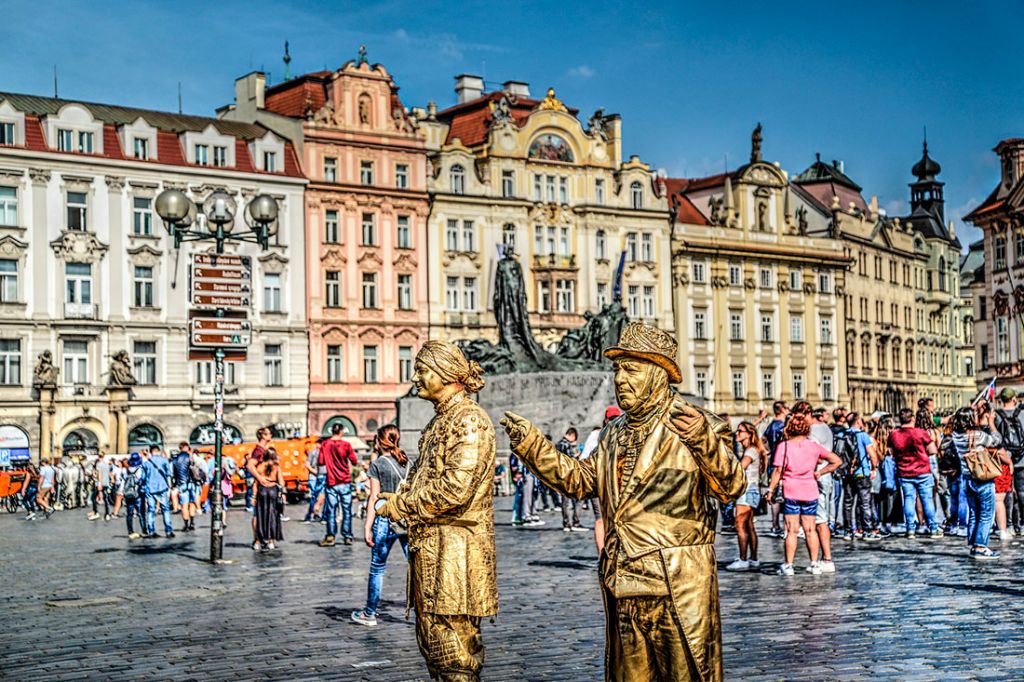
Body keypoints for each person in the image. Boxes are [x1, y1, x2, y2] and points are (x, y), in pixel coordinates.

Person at [502, 322, 746, 681]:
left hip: (675, 582)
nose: (619, 379)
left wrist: (703, 442)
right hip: (624, 582)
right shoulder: (614, 432)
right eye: (617, 369)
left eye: (630, 369)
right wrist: (534, 447)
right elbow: (582, 480)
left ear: (659, 373)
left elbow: (731, 486)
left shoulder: (698, 424)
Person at [376, 341, 498, 681]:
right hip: (433, 554)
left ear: (446, 374)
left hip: (456, 556)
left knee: (455, 655)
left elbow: (454, 490)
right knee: (435, 649)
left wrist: (401, 504)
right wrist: (400, 493)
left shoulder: (469, 420)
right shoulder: (438, 423)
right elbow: (426, 480)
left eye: (422, 370)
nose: (415, 377)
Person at [766, 408, 842, 576]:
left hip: (791, 490)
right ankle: (815, 564)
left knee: (791, 530)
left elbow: (778, 471)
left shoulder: (783, 446)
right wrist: (820, 472)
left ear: (789, 428)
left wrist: (770, 489)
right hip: (810, 491)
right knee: (810, 530)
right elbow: (837, 461)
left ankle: (789, 565)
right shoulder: (814, 446)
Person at [351, 425, 410, 627]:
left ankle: (370, 613)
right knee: (416, 567)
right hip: (407, 520)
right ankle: (426, 612)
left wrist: (368, 526)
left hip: (386, 521)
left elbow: (374, 498)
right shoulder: (408, 462)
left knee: (377, 568)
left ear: (378, 441)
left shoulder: (377, 465)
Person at [949, 407, 1006, 559]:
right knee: (987, 513)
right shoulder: (978, 435)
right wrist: (991, 423)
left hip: (966, 478)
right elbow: (997, 440)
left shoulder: (955, 435)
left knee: (974, 513)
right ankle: (981, 546)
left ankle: (974, 545)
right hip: (982, 478)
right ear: (969, 419)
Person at [889, 407, 942, 538]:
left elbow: (891, 453)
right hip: (922, 470)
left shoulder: (894, 434)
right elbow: (933, 450)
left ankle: (910, 529)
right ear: (912, 418)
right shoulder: (920, 432)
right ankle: (933, 528)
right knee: (927, 500)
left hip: (904, 471)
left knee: (908, 499)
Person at [580, 406, 622, 556]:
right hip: (599, 482)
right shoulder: (596, 435)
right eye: (611, 418)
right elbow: (584, 459)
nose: (614, 421)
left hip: (616, 484)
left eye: (616, 418)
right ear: (605, 419)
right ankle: (601, 556)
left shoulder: (622, 433)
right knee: (601, 519)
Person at [726, 421, 767, 571]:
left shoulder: (750, 451)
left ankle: (743, 559)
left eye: (740, 431)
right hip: (753, 489)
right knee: (749, 526)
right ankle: (753, 558)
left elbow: (739, 469)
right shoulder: (754, 450)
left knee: (740, 526)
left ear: (749, 434)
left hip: (746, 490)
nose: (737, 434)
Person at [319, 423, 357, 547]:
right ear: (341, 431)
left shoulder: (325, 444)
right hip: (345, 481)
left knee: (331, 510)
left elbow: (320, 461)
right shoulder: (346, 445)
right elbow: (354, 461)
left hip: (331, 481)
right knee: (346, 510)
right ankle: (347, 536)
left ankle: (330, 536)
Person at [808, 406, 837, 572]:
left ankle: (823, 559)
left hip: (817, 476)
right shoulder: (825, 428)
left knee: (818, 518)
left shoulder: (813, 431)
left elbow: (818, 456)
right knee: (821, 515)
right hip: (823, 476)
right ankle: (823, 559)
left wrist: (818, 470)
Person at [993, 387, 1024, 537]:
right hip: (1022, 458)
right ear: (1014, 399)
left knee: (1007, 493)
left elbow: (995, 438)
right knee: (1022, 492)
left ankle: (1010, 525)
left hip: (1004, 458)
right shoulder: (1022, 413)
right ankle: (1023, 524)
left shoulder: (997, 415)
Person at [841, 412, 877, 540]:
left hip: (847, 473)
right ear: (858, 422)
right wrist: (874, 468)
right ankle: (867, 531)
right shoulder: (863, 435)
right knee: (865, 502)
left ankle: (847, 531)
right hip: (862, 472)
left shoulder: (841, 435)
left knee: (847, 503)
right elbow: (872, 454)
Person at [763, 401, 789, 538]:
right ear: (783, 410)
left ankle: (774, 525)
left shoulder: (771, 425)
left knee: (774, 494)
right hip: (783, 463)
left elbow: (763, 439)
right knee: (784, 495)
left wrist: (768, 452)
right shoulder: (783, 426)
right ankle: (785, 526)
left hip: (773, 461)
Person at [253, 447, 284, 550]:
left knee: (260, 516)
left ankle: (258, 541)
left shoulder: (260, 466)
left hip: (262, 491)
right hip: (273, 490)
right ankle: (271, 541)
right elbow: (281, 482)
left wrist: (253, 496)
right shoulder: (276, 467)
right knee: (273, 516)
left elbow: (255, 483)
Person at [555, 428, 586, 532]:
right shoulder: (566, 444)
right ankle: (574, 523)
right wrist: (577, 456)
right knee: (575, 500)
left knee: (565, 502)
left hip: (561, 475)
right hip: (569, 476)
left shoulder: (558, 444)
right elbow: (570, 459)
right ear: (572, 435)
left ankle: (566, 523)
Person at [246, 427, 273, 541]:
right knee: (258, 514)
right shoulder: (259, 450)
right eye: (269, 433)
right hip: (260, 486)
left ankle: (263, 538)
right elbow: (250, 465)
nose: (271, 435)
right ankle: (257, 539)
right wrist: (259, 477)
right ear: (263, 436)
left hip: (267, 484)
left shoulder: (264, 449)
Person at [142, 446, 173, 538]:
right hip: (162, 487)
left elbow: (143, 477)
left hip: (150, 488)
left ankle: (151, 531)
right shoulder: (164, 461)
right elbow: (169, 474)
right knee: (165, 509)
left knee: (151, 510)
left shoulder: (146, 463)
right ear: (159, 451)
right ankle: (168, 531)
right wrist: (169, 485)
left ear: (151, 452)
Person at [173, 443, 198, 532]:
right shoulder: (190, 456)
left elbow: (174, 472)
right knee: (192, 503)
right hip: (191, 483)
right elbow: (195, 468)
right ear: (185, 447)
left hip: (181, 483)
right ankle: (192, 523)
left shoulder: (175, 458)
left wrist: (175, 483)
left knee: (184, 505)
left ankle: (186, 525)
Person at [121, 453, 146, 539]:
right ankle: (144, 530)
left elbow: (123, 479)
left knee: (129, 513)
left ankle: (130, 531)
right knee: (141, 513)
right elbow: (142, 480)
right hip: (138, 493)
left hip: (128, 494)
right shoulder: (140, 469)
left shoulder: (126, 470)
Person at [303, 439, 327, 523]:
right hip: (316, 475)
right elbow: (307, 464)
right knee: (317, 496)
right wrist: (315, 471)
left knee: (317, 496)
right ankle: (313, 514)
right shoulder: (313, 452)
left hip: (318, 475)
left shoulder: (322, 452)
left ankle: (313, 514)